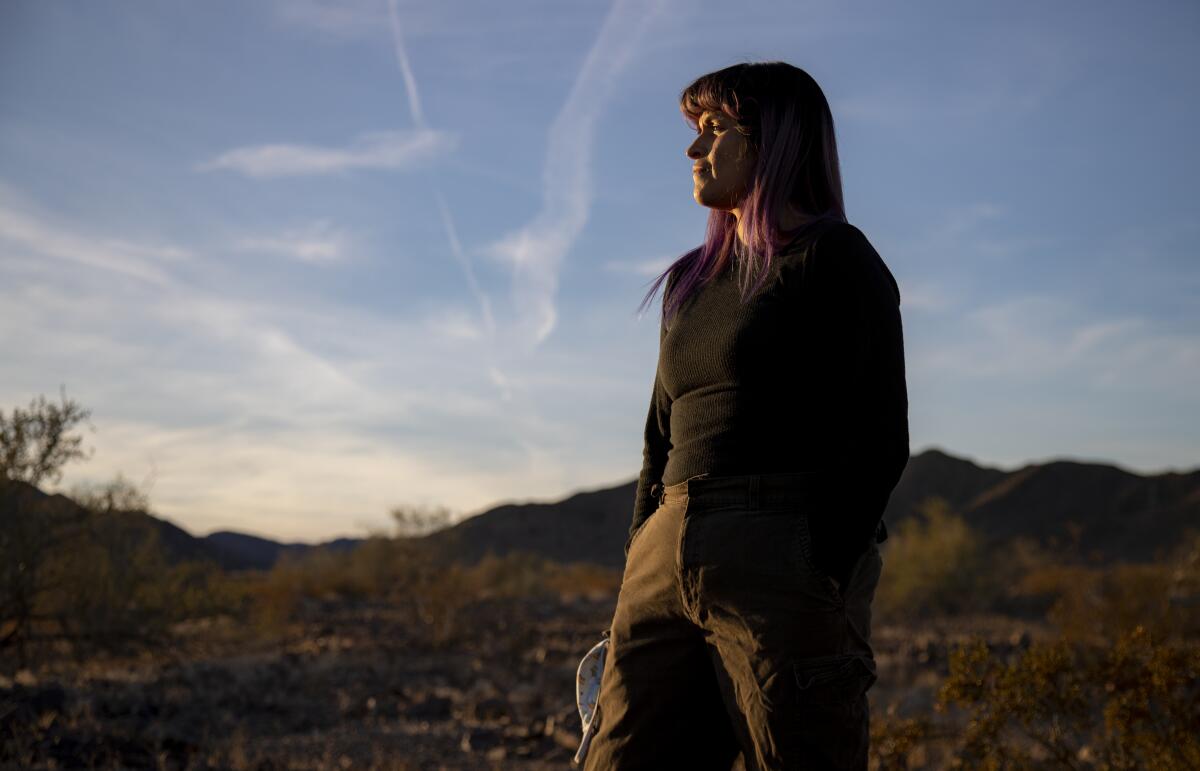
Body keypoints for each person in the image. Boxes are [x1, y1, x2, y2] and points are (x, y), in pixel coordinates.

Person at [580, 62, 910, 770]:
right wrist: (644, 554)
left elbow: (882, 435)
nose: (694, 150)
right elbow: (658, 438)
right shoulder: (688, 284)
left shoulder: (834, 259)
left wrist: (816, 564)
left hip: (780, 553)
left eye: (713, 129)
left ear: (772, 142)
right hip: (664, 553)